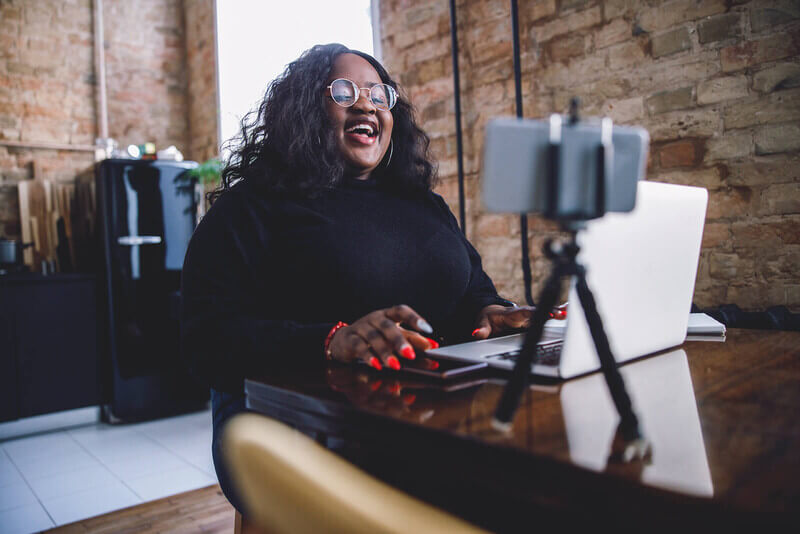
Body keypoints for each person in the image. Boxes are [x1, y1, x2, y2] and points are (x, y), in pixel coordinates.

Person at [181, 43, 539, 513]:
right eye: (345, 91)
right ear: (308, 108)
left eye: (378, 93)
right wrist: (331, 341)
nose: (367, 103)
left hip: (424, 409)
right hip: (292, 424)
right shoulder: (252, 207)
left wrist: (491, 311)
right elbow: (207, 341)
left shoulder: (423, 204)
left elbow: (471, 286)